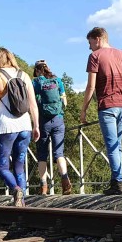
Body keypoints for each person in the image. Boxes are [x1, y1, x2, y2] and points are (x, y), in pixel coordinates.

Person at [79, 27, 122, 195]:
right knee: (117, 145)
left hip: (107, 106)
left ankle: (118, 183)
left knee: (112, 146)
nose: (89, 47)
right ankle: (116, 180)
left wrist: (84, 110)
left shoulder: (94, 56)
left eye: (90, 43)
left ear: (97, 39)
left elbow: (91, 86)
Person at [0, 48, 40, 207]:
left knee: (2, 166)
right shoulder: (24, 75)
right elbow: (33, 105)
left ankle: (16, 190)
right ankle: (21, 203)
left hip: (5, 128)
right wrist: (36, 125)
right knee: (19, 166)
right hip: (25, 127)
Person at [32, 60, 72, 195]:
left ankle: (44, 186)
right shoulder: (57, 80)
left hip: (43, 122)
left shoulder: (37, 82)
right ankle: (65, 180)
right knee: (59, 153)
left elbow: (31, 100)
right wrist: (59, 111)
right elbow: (64, 101)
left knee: (42, 156)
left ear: (37, 71)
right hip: (58, 120)